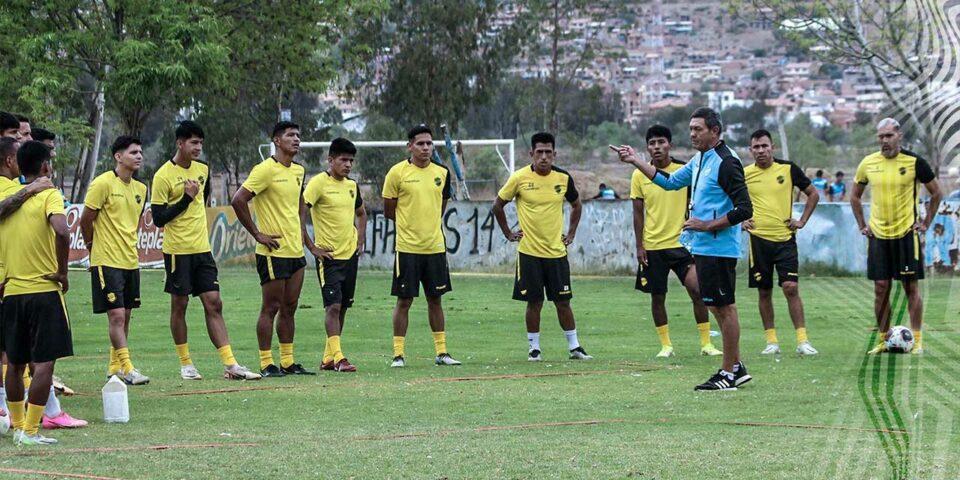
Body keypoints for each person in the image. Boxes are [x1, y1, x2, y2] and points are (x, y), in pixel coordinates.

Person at [614, 107, 753, 391]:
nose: (692, 134)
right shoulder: (701, 158)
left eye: (698, 129)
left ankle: (728, 373)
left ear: (715, 131)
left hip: (718, 247)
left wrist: (707, 224)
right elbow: (671, 182)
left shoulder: (726, 162)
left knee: (725, 308)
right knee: (716, 305)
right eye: (690, 129)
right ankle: (735, 365)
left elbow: (744, 209)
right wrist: (635, 161)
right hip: (703, 247)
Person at [151, 121, 261, 381]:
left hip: (203, 249)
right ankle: (186, 363)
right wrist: (186, 199)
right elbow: (158, 218)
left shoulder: (203, 169)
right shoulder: (162, 175)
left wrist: (193, 199)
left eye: (200, 143)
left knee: (214, 302)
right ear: (180, 143)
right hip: (178, 251)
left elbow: (203, 199)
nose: (198, 147)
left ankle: (230, 364)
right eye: (193, 142)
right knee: (180, 304)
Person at [492, 132, 593, 361]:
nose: (544, 157)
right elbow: (497, 206)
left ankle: (575, 347)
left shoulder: (563, 179)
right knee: (534, 302)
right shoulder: (519, 178)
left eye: (549, 152)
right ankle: (534, 349)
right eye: (540, 152)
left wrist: (572, 233)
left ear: (555, 154)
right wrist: (508, 232)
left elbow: (577, 205)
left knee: (563, 301)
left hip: (556, 253)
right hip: (529, 253)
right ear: (531, 154)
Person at [0, 141, 72, 445]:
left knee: (14, 364)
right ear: (45, 167)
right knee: (44, 364)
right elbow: (62, 230)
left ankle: (16, 426)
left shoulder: (6, 196)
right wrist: (63, 271)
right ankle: (29, 431)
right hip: (44, 289)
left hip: (12, 291)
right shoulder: (49, 194)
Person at [851, 118, 942, 354]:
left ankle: (918, 340)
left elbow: (936, 193)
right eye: (881, 136)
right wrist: (862, 224)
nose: (884, 141)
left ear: (899, 136)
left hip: (906, 236)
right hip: (878, 237)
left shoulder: (915, 162)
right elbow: (855, 196)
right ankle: (884, 339)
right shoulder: (868, 163)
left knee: (910, 287)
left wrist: (925, 223)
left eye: (889, 136)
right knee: (881, 288)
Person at [629, 125, 720, 358]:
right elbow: (638, 213)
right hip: (653, 246)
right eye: (652, 143)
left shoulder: (684, 170)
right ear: (647, 147)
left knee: (697, 290)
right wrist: (640, 245)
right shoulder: (640, 174)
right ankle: (666, 345)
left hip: (682, 245)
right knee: (657, 296)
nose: (657, 147)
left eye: (661, 142)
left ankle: (706, 343)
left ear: (670, 144)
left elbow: (698, 200)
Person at [231, 121, 313, 377]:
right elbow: (238, 199)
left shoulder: (299, 170)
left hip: (294, 252)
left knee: (290, 307)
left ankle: (287, 362)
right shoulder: (265, 169)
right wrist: (257, 233)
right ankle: (267, 363)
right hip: (272, 251)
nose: (296, 139)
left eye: (298, 135)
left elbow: (300, 202)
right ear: (277, 141)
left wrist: (303, 234)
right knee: (271, 307)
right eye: (291, 135)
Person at [382, 125, 461, 367]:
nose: (426, 148)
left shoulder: (442, 173)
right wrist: (410, 223)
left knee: (435, 299)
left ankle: (442, 352)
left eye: (429, 143)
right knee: (404, 301)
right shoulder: (397, 173)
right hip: (407, 248)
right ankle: (398, 354)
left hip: (435, 247)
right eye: (420, 144)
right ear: (410, 146)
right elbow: (389, 209)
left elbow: (442, 203)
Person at [743, 129, 820, 356]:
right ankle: (771, 342)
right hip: (758, 241)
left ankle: (802, 341)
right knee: (764, 292)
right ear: (750, 151)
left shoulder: (787, 169)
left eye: (764, 146)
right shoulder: (745, 173)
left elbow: (813, 194)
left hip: (785, 239)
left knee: (790, 288)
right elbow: (730, 198)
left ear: (772, 147)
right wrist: (741, 219)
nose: (761, 151)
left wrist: (802, 220)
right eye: (756, 147)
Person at [80, 136, 149, 385]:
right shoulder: (102, 184)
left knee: (126, 315)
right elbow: (85, 220)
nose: (139, 156)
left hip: (130, 261)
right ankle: (128, 369)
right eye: (133, 152)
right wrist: (91, 247)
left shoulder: (141, 189)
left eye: (140, 152)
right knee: (117, 316)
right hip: (106, 260)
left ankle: (114, 366)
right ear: (118, 157)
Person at [301, 138, 366, 372]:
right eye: (343, 160)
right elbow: (301, 212)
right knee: (333, 307)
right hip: (328, 257)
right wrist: (311, 246)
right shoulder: (318, 183)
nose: (348, 165)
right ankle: (339, 358)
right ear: (330, 160)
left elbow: (361, 212)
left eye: (351, 160)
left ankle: (328, 358)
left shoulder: (351, 186)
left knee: (344, 306)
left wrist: (360, 238)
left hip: (350, 256)